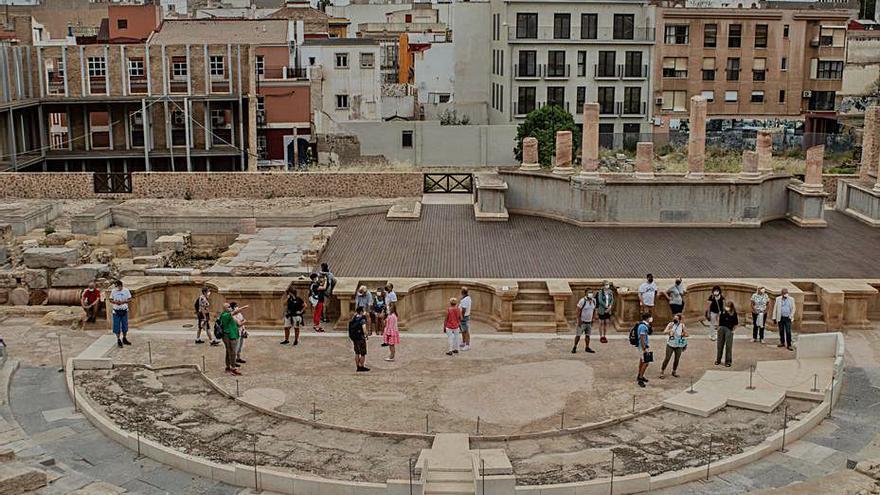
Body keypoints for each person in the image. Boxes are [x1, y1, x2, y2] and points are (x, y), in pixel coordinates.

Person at [660, 314, 688, 378]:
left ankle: (674, 371)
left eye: (676, 319)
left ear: (679, 320)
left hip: (678, 345)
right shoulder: (671, 324)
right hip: (670, 344)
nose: (674, 320)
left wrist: (683, 334)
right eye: (674, 318)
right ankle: (662, 371)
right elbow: (664, 332)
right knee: (667, 358)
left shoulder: (682, 325)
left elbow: (686, 334)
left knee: (677, 359)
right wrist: (670, 330)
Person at [218, 303, 242, 375]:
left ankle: (229, 367)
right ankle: (232, 368)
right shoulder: (225, 315)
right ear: (225, 309)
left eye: (230, 307)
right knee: (231, 352)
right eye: (228, 307)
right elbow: (235, 312)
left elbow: (237, 323)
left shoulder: (230, 315)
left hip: (233, 334)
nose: (230, 308)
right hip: (228, 335)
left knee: (230, 351)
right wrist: (243, 307)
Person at [572, 290, 596, 354]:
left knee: (588, 335)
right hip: (582, 322)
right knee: (578, 335)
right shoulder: (582, 301)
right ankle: (574, 347)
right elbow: (577, 311)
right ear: (585, 293)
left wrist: (593, 318)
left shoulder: (593, 301)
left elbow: (594, 310)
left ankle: (587, 347)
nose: (590, 294)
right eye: (589, 292)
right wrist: (579, 320)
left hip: (589, 322)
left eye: (591, 292)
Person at [110, 280, 132, 348]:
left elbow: (130, 299)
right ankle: (118, 339)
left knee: (124, 325)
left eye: (117, 286)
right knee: (117, 326)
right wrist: (115, 302)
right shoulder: (113, 291)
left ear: (120, 285)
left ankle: (124, 338)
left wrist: (123, 301)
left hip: (124, 310)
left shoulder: (126, 290)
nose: (116, 288)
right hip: (116, 310)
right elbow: (110, 299)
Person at [716, 302, 739, 367]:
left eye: (728, 306)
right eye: (726, 306)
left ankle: (728, 361)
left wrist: (732, 330)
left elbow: (736, 323)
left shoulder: (734, 313)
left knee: (728, 346)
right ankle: (718, 360)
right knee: (719, 345)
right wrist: (718, 327)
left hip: (729, 329)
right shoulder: (722, 312)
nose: (727, 307)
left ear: (731, 307)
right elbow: (719, 320)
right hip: (721, 328)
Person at [348, 306, 369, 372]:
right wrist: (366, 335)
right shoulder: (362, 319)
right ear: (361, 312)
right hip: (360, 337)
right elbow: (364, 328)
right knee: (363, 353)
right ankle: (361, 366)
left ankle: (357, 366)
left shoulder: (354, 318)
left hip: (354, 338)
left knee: (357, 352)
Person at [636, 312, 653, 387]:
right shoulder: (643, 326)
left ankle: (640, 375)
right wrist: (644, 348)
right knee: (646, 362)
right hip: (643, 346)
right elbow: (642, 338)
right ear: (647, 318)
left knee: (642, 361)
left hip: (643, 346)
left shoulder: (643, 325)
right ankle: (640, 378)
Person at [459, 287, 472, 352]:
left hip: (464, 317)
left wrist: (461, 317)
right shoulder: (467, 298)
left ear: (462, 292)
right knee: (463, 330)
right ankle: (464, 342)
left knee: (466, 331)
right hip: (465, 316)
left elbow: (463, 309)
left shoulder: (465, 300)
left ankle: (467, 345)